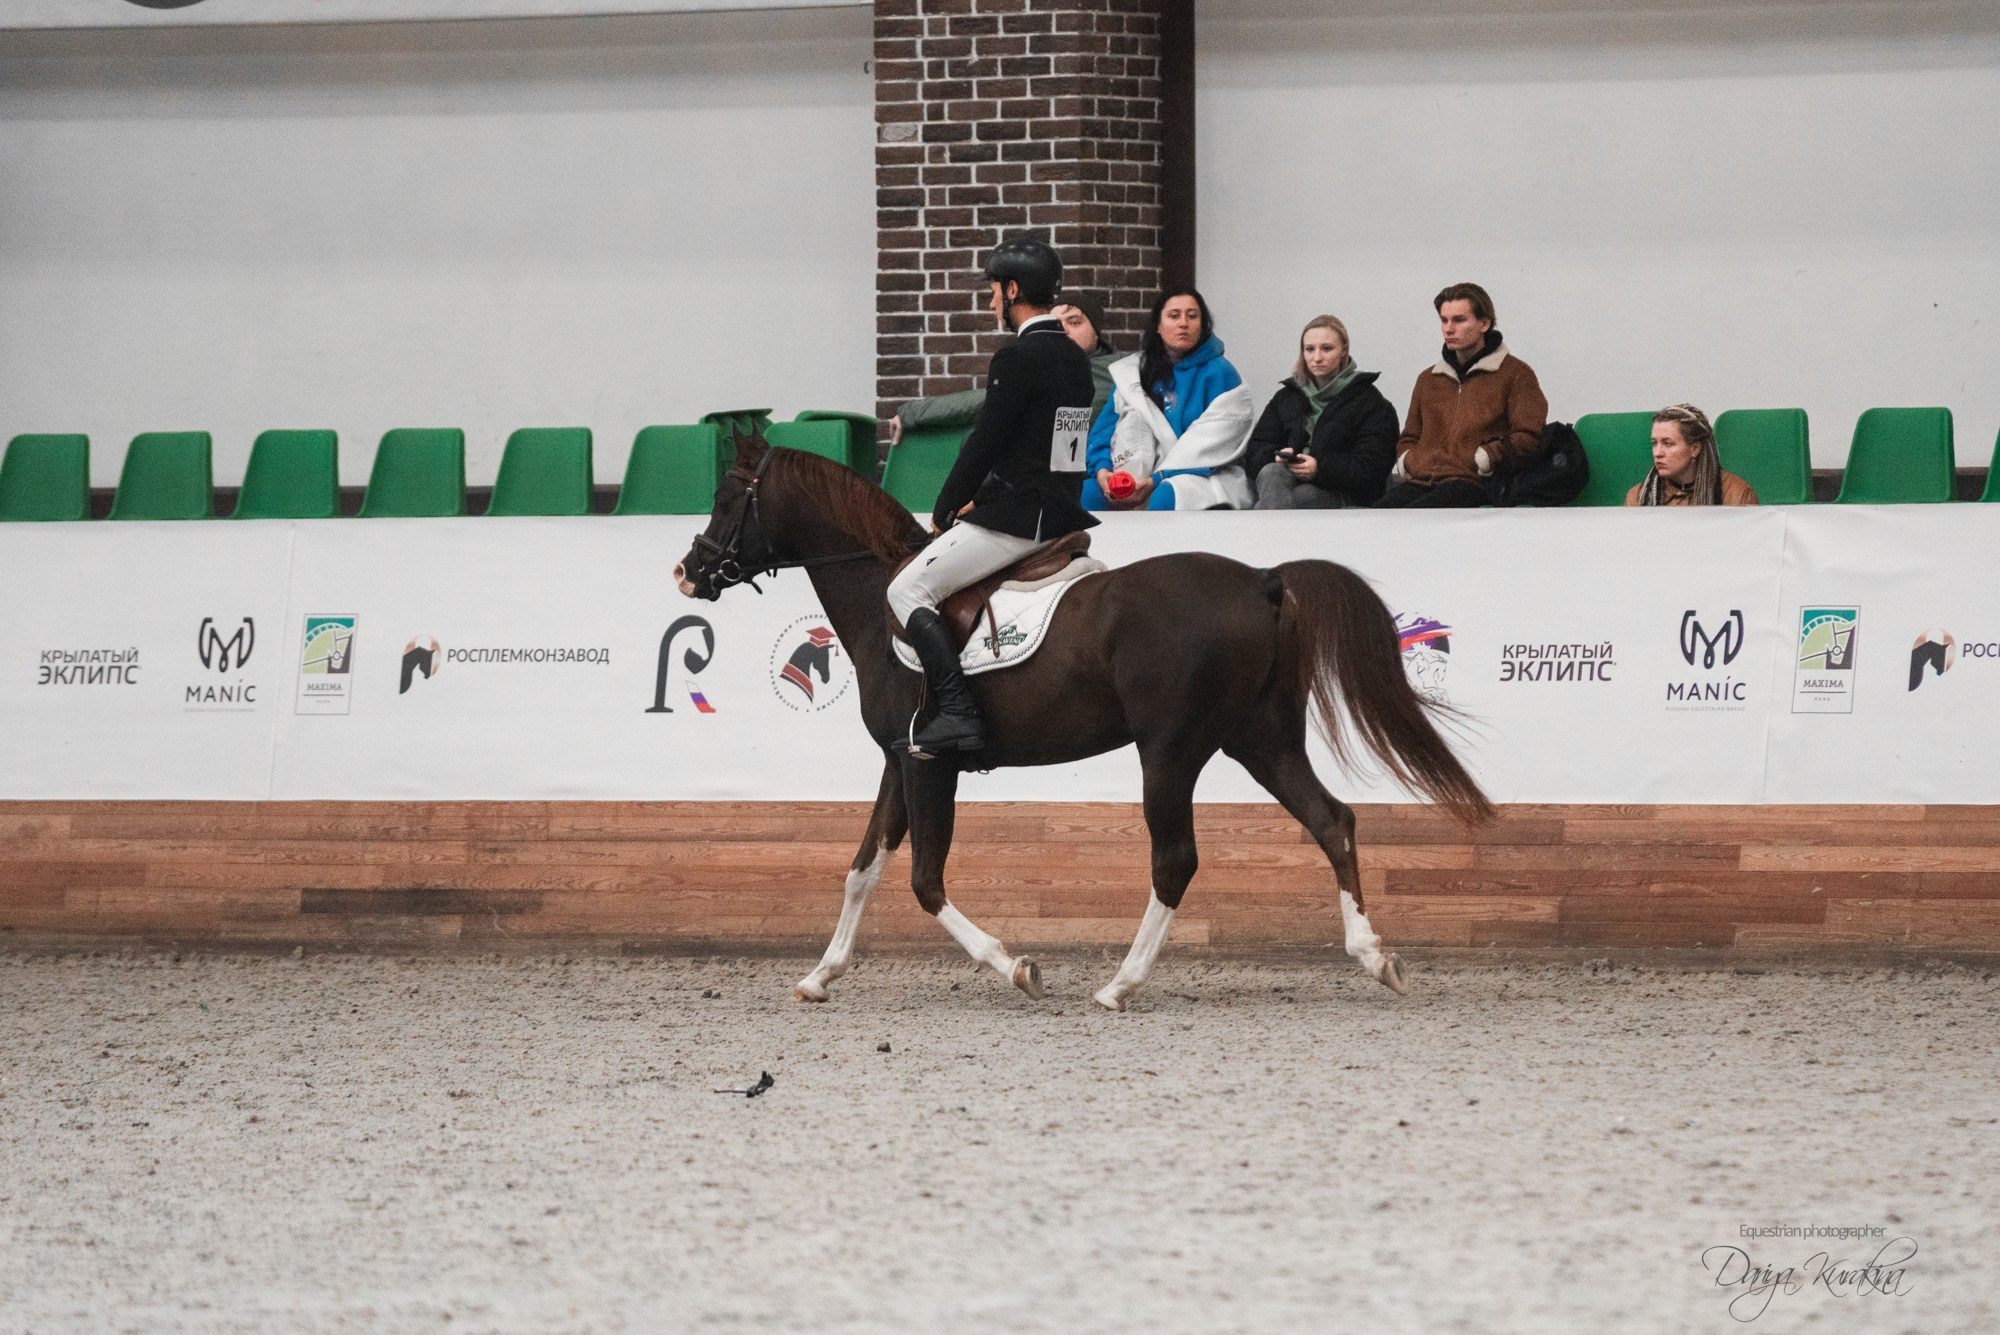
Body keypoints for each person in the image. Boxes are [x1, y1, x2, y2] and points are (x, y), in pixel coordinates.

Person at [883, 237, 1097, 756]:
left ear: (1013, 289)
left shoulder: (1016, 356)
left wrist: (947, 506)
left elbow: (987, 441)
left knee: (905, 590)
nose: (991, 302)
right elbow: (1061, 450)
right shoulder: (1074, 357)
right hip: (1061, 513)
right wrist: (994, 495)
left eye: (993, 291)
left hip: (1019, 522)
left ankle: (958, 714)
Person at [1375, 283, 1547, 509]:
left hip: (1477, 483)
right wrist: (1409, 460)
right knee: (1377, 520)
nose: (1448, 328)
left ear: (1484, 324)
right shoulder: (1428, 379)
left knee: (1417, 520)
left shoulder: (1516, 374)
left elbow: (1529, 437)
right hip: (1423, 480)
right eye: (1444, 320)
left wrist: (1483, 458)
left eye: (1459, 320)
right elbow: (1409, 437)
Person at [1083, 289, 1255, 510]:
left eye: (1192, 316)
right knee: (1088, 494)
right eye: (1174, 316)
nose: (1183, 323)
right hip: (1136, 474)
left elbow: (1212, 444)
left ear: (1203, 325)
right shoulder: (1133, 372)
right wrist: (1103, 471)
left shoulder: (1222, 373)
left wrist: (1157, 479)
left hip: (1202, 476)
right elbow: (1105, 431)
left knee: (1167, 494)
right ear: (1158, 325)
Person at [888, 292, 1118, 445]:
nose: (1064, 330)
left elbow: (988, 400)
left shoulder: (1119, 371)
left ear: (1096, 333)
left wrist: (912, 413)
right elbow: (990, 399)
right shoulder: (1049, 367)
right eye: (1056, 324)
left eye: (1074, 322)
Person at [1245, 314, 1398, 509]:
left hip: (1343, 492)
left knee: (1274, 505)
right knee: (1271, 471)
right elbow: (1257, 449)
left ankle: (1271, 536)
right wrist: (1277, 457)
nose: (1317, 358)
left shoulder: (1371, 402)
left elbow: (1372, 468)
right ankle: (1279, 535)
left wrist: (1319, 468)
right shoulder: (1286, 397)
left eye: (1326, 348)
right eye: (1310, 349)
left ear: (1343, 351)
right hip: (1287, 482)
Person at [1626, 404, 1758, 506]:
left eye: (1668, 444)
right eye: (1654, 443)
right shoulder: (1639, 497)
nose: (1657, 453)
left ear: (1694, 449)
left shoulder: (1736, 494)